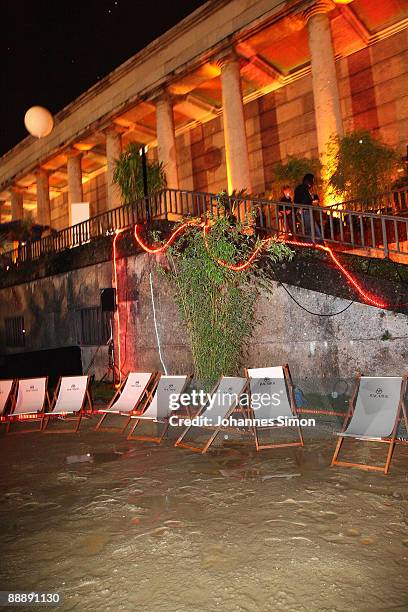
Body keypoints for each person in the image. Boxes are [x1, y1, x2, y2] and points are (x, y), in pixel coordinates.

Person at [294, 174, 321, 239]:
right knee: (311, 231)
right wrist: (312, 200)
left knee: (313, 231)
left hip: (305, 211)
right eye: (313, 180)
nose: (313, 182)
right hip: (305, 211)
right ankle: (315, 246)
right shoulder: (303, 188)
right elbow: (304, 200)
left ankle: (318, 245)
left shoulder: (303, 188)